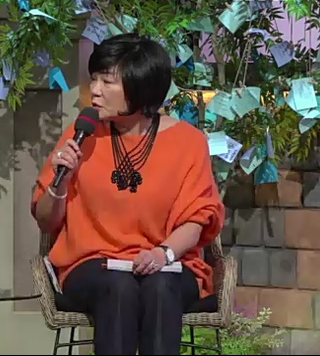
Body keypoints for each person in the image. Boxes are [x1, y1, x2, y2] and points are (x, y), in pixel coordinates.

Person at [31, 33, 225, 355]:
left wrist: (163, 254)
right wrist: (59, 183)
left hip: (168, 262)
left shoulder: (188, 142)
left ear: (140, 87)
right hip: (92, 265)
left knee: (161, 286)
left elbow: (197, 219)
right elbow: (46, 221)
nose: (95, 90)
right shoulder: (81, 135)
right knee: (118, 287)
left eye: (107, 82)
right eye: (94, 79)